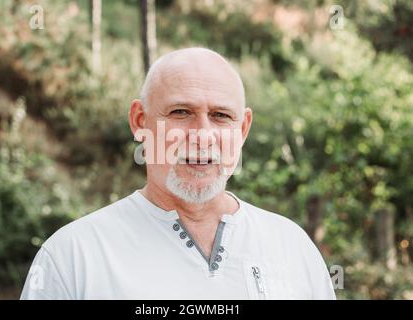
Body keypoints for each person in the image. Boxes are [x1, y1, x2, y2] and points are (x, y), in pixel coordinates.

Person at [20, 47, 336, 299]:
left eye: (221, 116)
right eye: (181, 112)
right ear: (139, 121)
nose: (202, 135)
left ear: (243, 129)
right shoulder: (71, 258)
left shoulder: (294, 249)